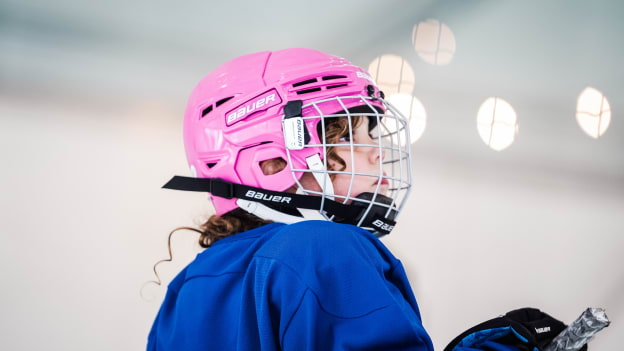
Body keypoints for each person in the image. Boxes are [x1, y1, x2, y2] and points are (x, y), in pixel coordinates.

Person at [147, 48, 434, 350]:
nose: (379, 151)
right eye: (348, 137)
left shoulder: (187, 287)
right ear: (271, 163)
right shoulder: (322, 248)